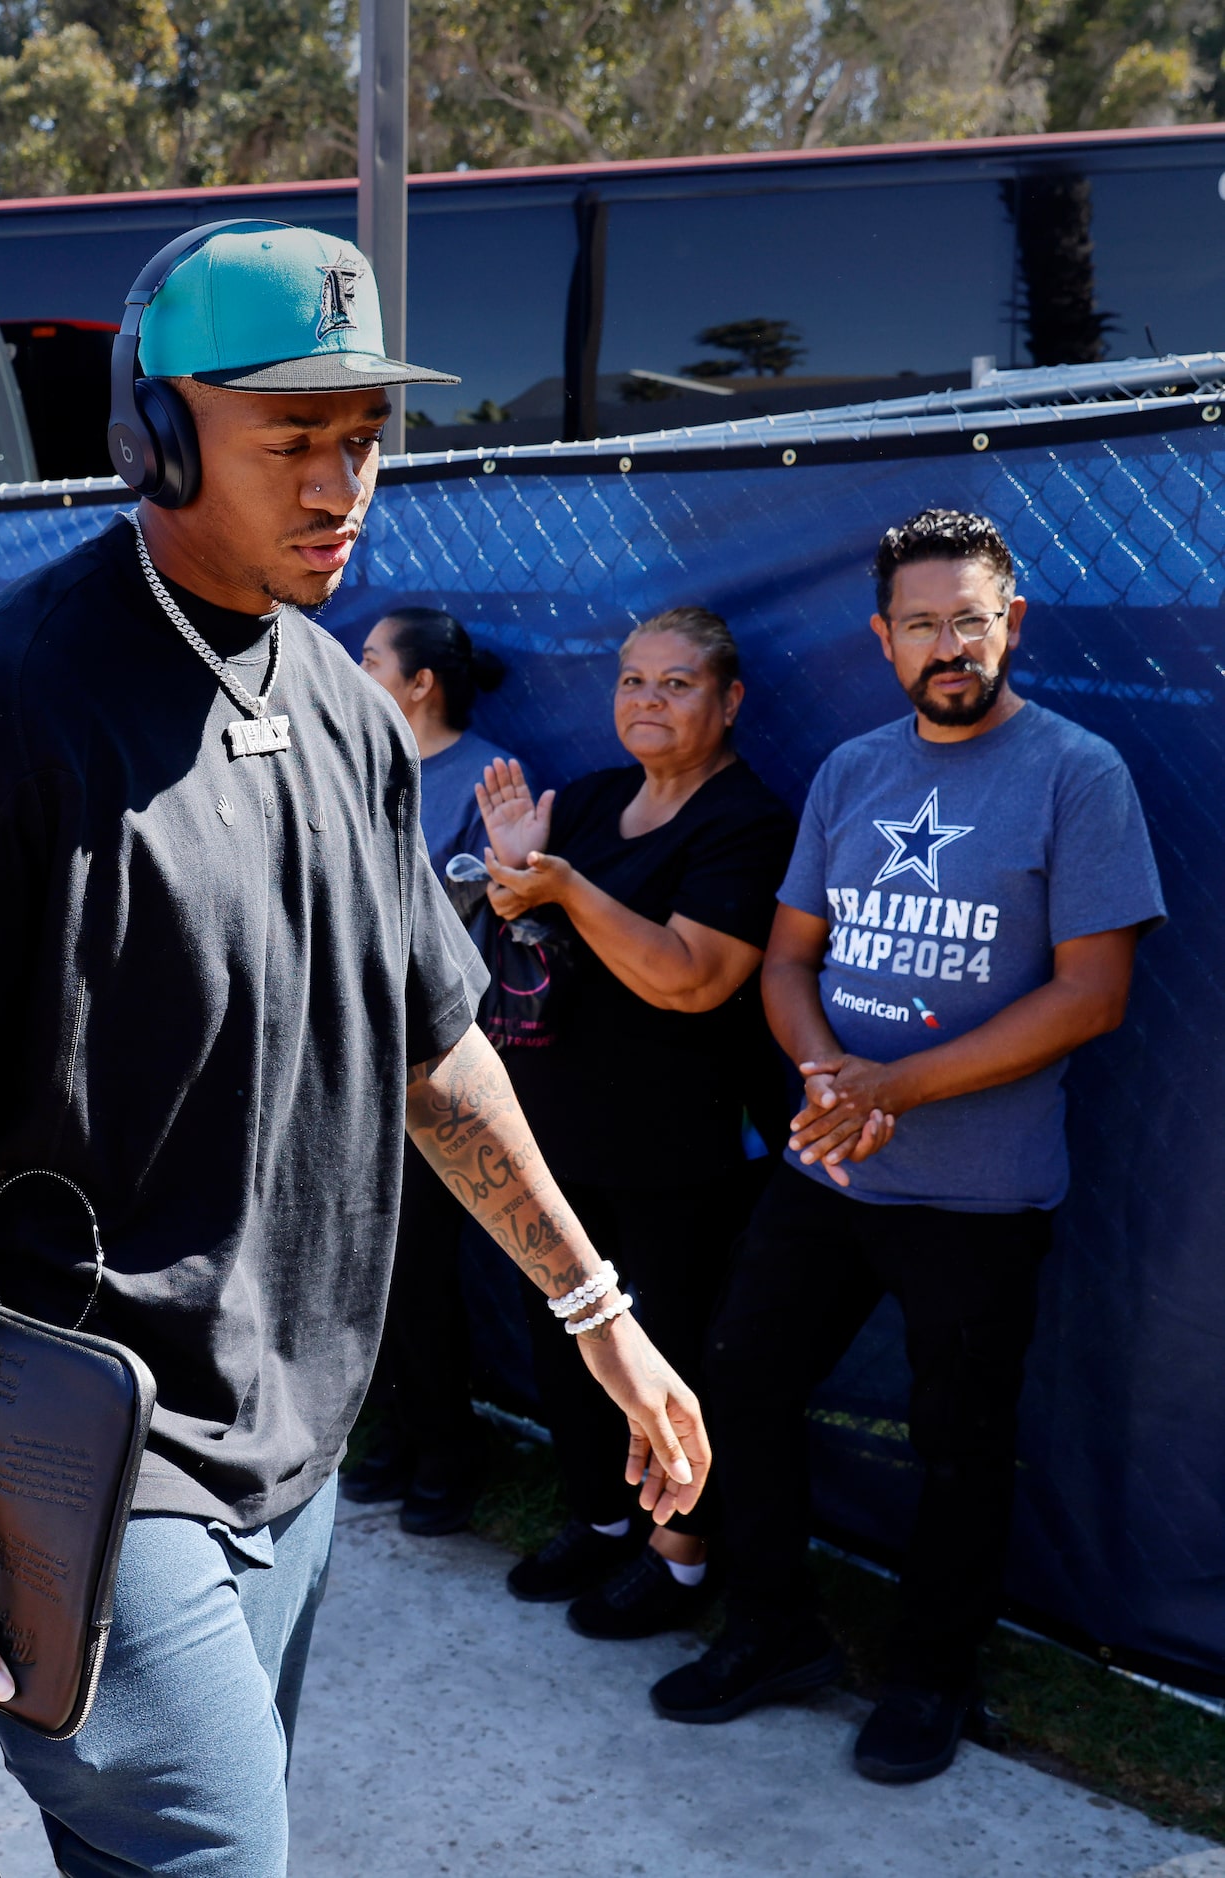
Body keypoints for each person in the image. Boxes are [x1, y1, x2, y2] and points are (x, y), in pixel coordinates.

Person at [0, 221, 711, 1878]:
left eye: (361, 437)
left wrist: (601, 1318)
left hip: (296, 1440)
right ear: (155, 435)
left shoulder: (354, 718)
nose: (340, 480)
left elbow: (436, 1054)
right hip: (77, 1438)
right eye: (289, 435)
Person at [653, 508, 1164, 1785]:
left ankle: (932, 1677)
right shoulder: (851, 770)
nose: (949, 645)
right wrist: (828, 1071)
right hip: (828, 1162)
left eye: (971, 619)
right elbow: (785, 961)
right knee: (740, 1380)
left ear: (1011, 626)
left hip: (978, 1196)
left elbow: (1091, 996)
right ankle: (772, 1634)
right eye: (922, 624)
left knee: (959, 1444)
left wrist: (900, 1083)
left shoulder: (1075, 772)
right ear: (882, 640)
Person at [471, 608, 794, 1639]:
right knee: (565, 1337)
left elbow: (693, 979)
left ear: (728, 701)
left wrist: (561, 884)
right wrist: (517, 878)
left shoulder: (746, 820)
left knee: (672, 1352)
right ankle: (602, 1516)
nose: (646, 702)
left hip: (680, 1150)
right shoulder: (597, 800)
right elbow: (530, 944)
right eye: (631, 682)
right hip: (561, 1134)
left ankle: (682, 1551)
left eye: (676, 684)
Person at [339, 607, 515, 1532]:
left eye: (369, 659)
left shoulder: (482, 775)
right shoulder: (353, 755)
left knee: (422, 1272)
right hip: (347, 1064)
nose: (348, 670)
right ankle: (400, 1431)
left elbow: (457, 927)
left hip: (432, 1064)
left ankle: (448, 1449)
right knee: (370, 1269)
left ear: (419, 684)